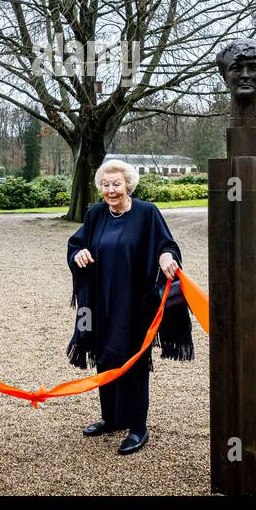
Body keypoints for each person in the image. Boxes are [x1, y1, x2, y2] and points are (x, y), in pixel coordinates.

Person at [66, 158, 193, 456]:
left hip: (134, 302)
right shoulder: (96, 214)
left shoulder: (147, 213)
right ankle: (111, 419)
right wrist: (79, 253)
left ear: (128, 185)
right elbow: (76, 244)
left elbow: (168, 246)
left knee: (133, 361)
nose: (111, 190)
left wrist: (164, 257)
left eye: (116, 184)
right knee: (105, 356)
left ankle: (138, 427)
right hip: (99, 301)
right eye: (106, 185)